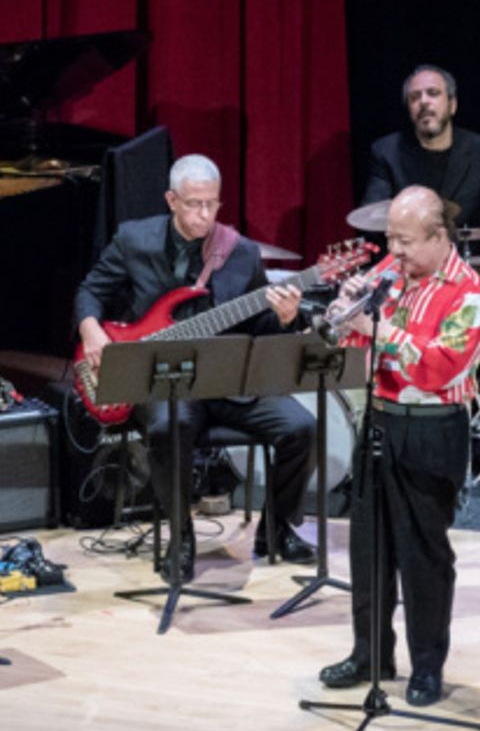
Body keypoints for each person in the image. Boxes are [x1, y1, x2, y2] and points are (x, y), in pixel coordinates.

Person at [74, 153, 316, 579]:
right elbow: (89, 292)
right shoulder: (135, 240)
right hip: (166, 380)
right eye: (194, 204)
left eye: (212, 204)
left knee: (302, 428)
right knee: (170, 428)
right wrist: (92, 330)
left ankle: (276, 528)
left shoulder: (239, 252)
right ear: (171, 199)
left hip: (228, 381)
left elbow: (259, 327)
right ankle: (180, 536)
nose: (205, 214)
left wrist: (284, 317)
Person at [318, 185, 480, 707]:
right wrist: (342, 315)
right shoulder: (389, 277)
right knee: (370, 549)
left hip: (432, 428)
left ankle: (427, 667)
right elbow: (348, 343)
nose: (395, 252)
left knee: (423, 556)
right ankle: (369, 653)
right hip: (381, 421)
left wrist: (378, 330)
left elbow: (440, 366)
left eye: (406, 241)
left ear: (439, 237)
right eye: (391, 238)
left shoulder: (470, 292)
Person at [362, 65, 480, 235]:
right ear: (409, 109)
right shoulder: (386, 152)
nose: (423, 101)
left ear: (452, 105)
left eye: (433, 93)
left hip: (470, 260)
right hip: (411, 260)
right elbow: (371, 221)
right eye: (415, 97)